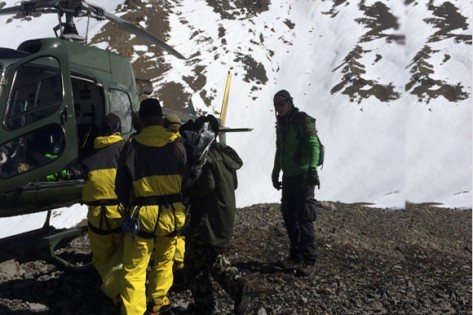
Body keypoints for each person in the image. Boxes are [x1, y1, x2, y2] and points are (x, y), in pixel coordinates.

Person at [115, 98, 188, 315]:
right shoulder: (177, 144)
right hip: (173, 214)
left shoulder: (132, 146)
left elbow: (121, 186)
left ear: (143, 119)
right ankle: (158, 300)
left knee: (135, 267)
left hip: (143, 215)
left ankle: (134, 311)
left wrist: (129, 206)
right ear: (161, 118)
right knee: (165, 259)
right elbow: (186, 180)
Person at [183, 115, 250, 315]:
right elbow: (233, 184)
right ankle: (237, 286)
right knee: (211, 257)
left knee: (194, 263)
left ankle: (207, 305)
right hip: (224, 215)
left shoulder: (205, 157)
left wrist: (186, 194)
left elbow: (207, 185)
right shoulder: (224, 154)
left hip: (208, 219)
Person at [65, 113, 126, 300]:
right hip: (121, 213)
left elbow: (76, 173)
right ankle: (120, 290)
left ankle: (111, 286)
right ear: (119, 129)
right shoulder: (126, 149)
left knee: (101, 256)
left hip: (97, 214)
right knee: (123, 253)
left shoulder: (90, 154)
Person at [271, 89, 320, 277]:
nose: (278, 108)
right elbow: (279, 150)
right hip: (289, 177)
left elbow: (313, 144)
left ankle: (309, 260)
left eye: (281, 104)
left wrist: (313, 169)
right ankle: (296, 255)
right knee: (289, 215)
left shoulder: (301, 119)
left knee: (305, 216)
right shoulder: (281, 125)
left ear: (289, 103)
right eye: (276, 105)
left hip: (304, 175)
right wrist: (276, 173)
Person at [163, 114, 186, 273]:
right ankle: (180, 264)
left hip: (164, 200)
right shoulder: (183, 144)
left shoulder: (165, 144)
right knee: (178, 235)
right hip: (181, 198)